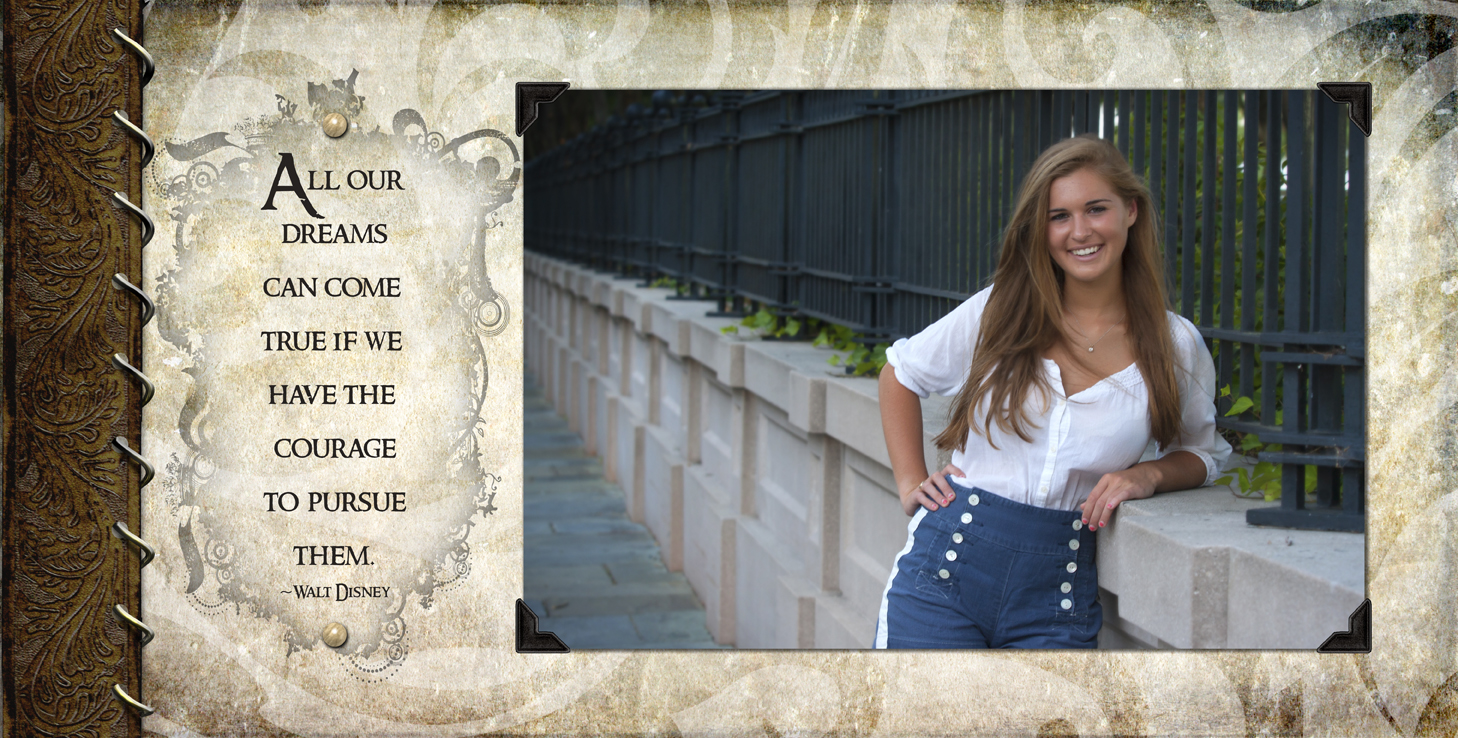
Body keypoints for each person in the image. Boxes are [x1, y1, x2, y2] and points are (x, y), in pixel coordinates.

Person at [873, 134, 1231, 649]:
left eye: (1096, 209)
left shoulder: (1175, 343)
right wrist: (910, 482)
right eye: (1058, 216)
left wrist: (1148, 474)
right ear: (1040, 229)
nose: (1079, 231)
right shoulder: (1001, 310)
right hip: (943, 575)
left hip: (1056, 596)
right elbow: (900, 374)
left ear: (1130, 211)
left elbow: (1200, 451)